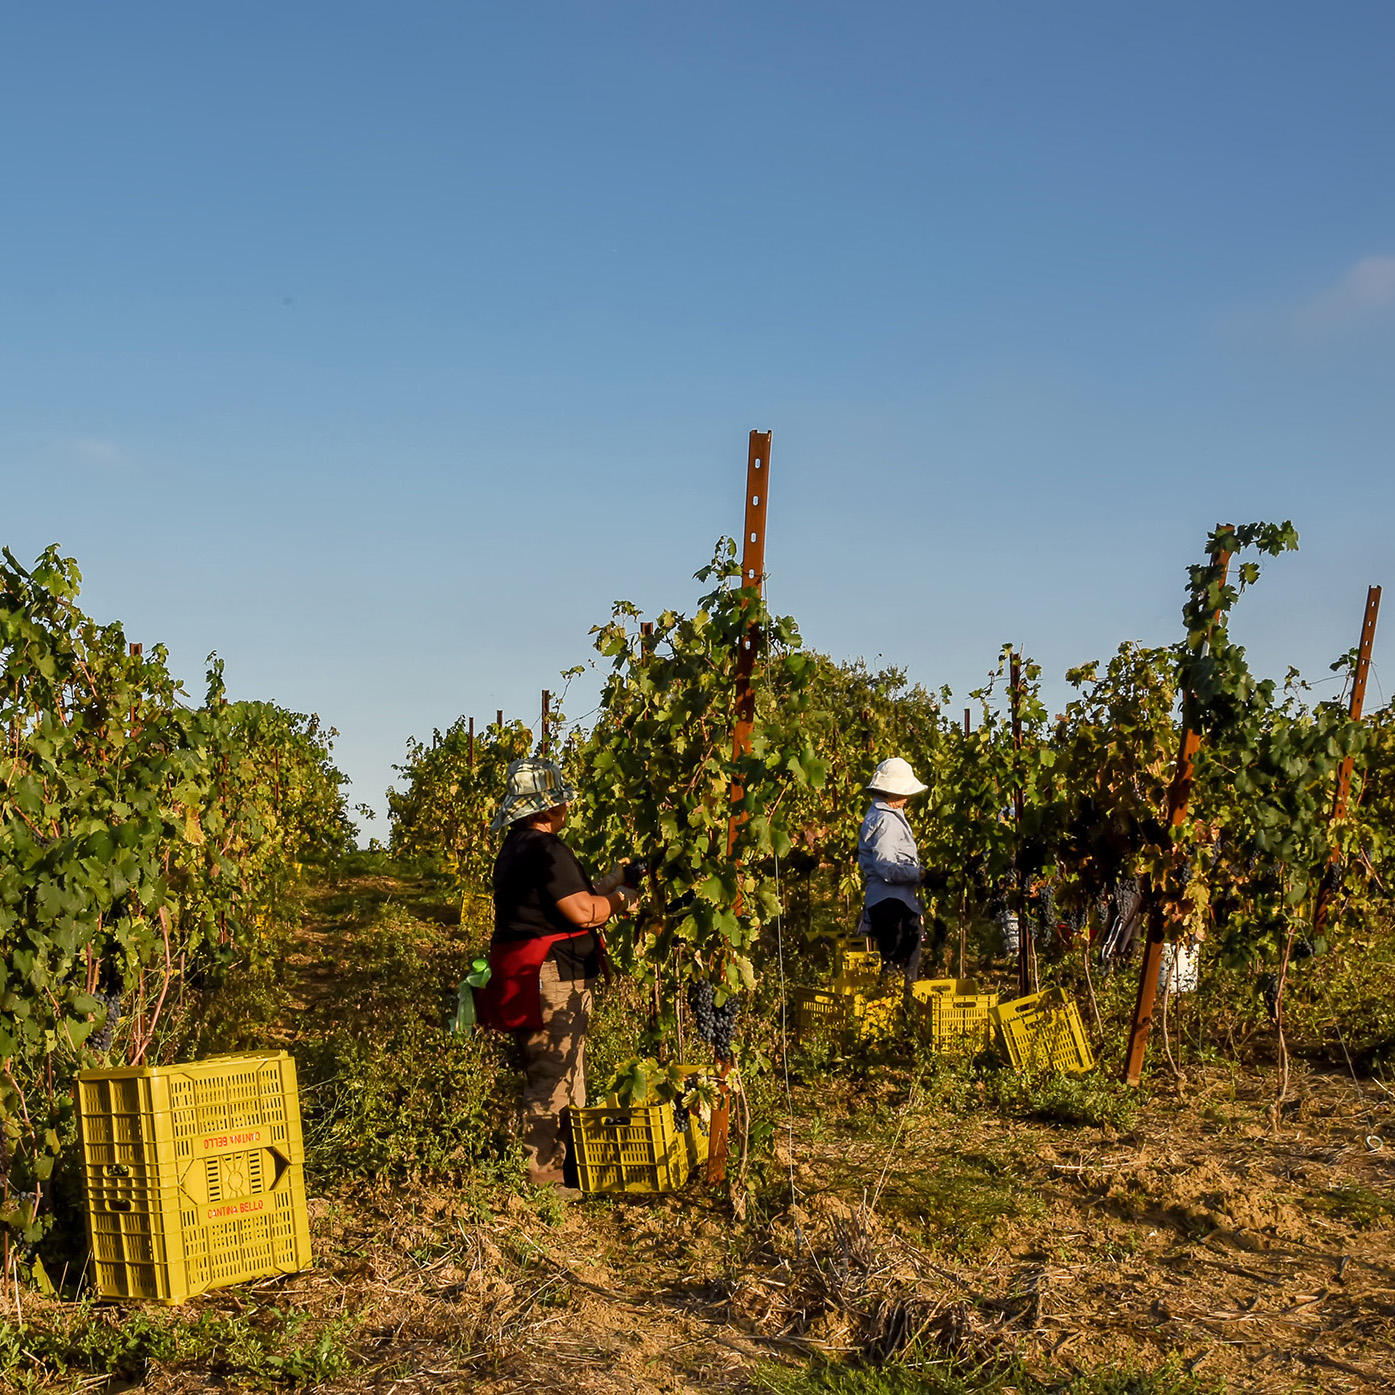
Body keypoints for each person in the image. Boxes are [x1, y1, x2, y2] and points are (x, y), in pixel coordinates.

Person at [474, 757, 638, 1188]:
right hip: (552, 979)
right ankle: (544, 1176)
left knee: (565, 1070)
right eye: (560, 803)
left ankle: (571, 1168)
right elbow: (582, 911)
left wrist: (616, 879)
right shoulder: (546, 850)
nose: (566, 809)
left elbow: (568, 898)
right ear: (547, 809)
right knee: (552, 1077)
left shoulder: (517, 849)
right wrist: (621, 900)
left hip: (532, 973)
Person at [857, 757, 929, 993]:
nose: (907, 798)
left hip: (889, 901)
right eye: (903, 792)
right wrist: (919, 874)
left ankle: (891, 1014)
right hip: (892, 904)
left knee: (894, 964)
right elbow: (886, 866)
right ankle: (898, 1016)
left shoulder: (879, 815)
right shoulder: (887, 820)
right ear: (890, 791)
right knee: (899, 966)